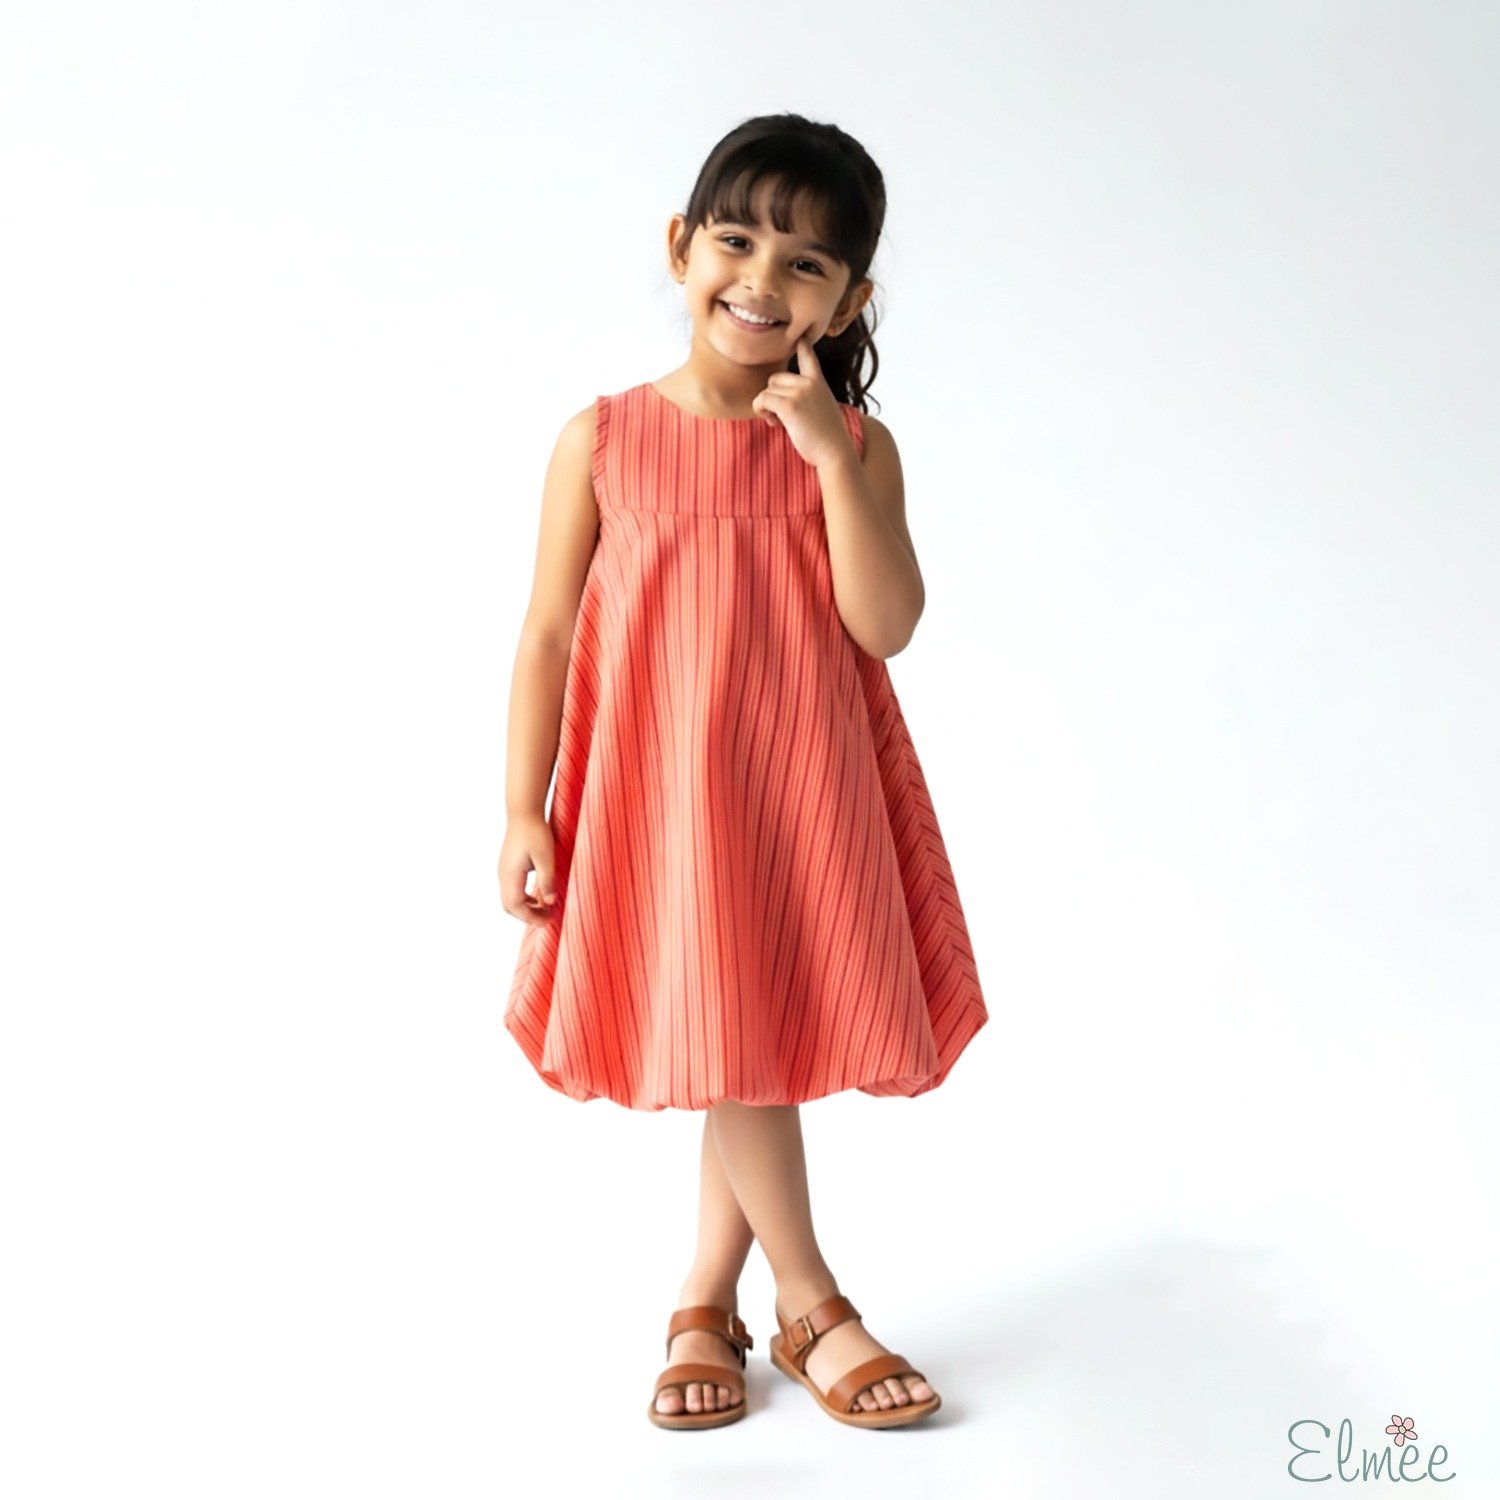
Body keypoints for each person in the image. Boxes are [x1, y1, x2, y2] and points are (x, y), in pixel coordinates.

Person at [497, 112, 988, 1431]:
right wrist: (523, 807)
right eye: (736, 242)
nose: (762, 281)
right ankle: (811, 1301)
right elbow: (546, 633)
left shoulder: (858, 450)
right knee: (738, 1038)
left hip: (803, 790)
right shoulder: (602, 439)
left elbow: (886, 624)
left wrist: (827, 454)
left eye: (806, 263)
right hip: (661, 797)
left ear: (850, 299)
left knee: (745, 1038)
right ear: (681, 247)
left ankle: (707, 1300)